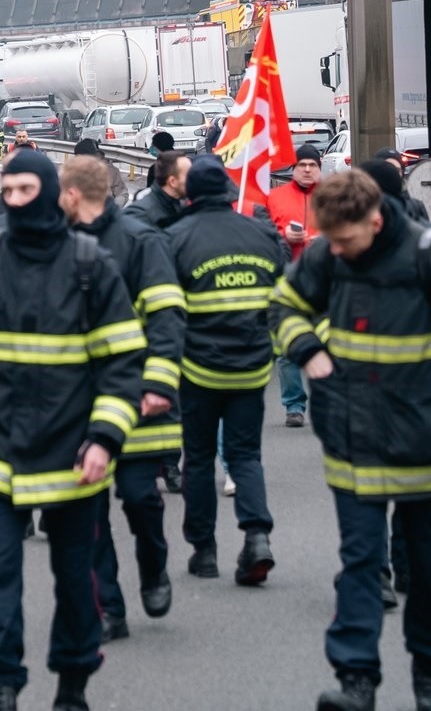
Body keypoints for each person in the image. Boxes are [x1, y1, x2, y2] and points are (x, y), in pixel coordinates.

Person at [273, 168, 431, 711]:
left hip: (426, 441)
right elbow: (284, 305)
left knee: (427, 569)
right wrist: (307, 347)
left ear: (376, 219)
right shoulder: (325, 255)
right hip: (351, 439)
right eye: (328, 241)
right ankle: (356, 681)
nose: (336, 251)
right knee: (360, 563)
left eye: (346, 240)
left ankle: (429, 677)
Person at [0, 149, 148, 711]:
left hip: (74, 460)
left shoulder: (90, 265)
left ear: (50, 193)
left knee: (76, 585)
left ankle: (73, 685)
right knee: (0, 582)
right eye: (9, 190)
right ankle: (0, 686)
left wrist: (105, 438)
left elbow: (122, 364)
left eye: (27, 190)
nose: (16, 200)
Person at [57, 156, 185, 640]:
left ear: (71, 195)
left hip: (136, 399)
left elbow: (167, 317)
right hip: (76, 404)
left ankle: (153, 569)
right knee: (87, 515)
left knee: (140, 499)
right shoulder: (55, 245)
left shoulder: (139, 241)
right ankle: (108, 606)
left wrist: (156, 384)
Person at [166, 154, 289, 586]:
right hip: (252, 367)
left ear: (190, 193)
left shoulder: (176, 238)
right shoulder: (260, 233)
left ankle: (204, 551)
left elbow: (167, 310)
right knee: (246, 455)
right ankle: (257, 538)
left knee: (198, 458)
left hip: (198, 370)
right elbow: (283, 286)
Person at [260, 144, 325, 429]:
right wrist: (284, 236)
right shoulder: (274, 198)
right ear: (294, 168)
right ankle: (294, 406)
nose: (307, 170)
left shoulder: (332, 198)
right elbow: (264, 236)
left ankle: (328, 403)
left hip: (326, 278)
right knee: (287, 347)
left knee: (328, 344)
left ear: (320, 168)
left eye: (312, 165)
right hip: (287, 278)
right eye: (302, 165)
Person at [125, 151, 189, 231]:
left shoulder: (182, 205)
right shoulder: (141, 216)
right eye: (189, 175)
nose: (193, 179)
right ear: (172, 181)